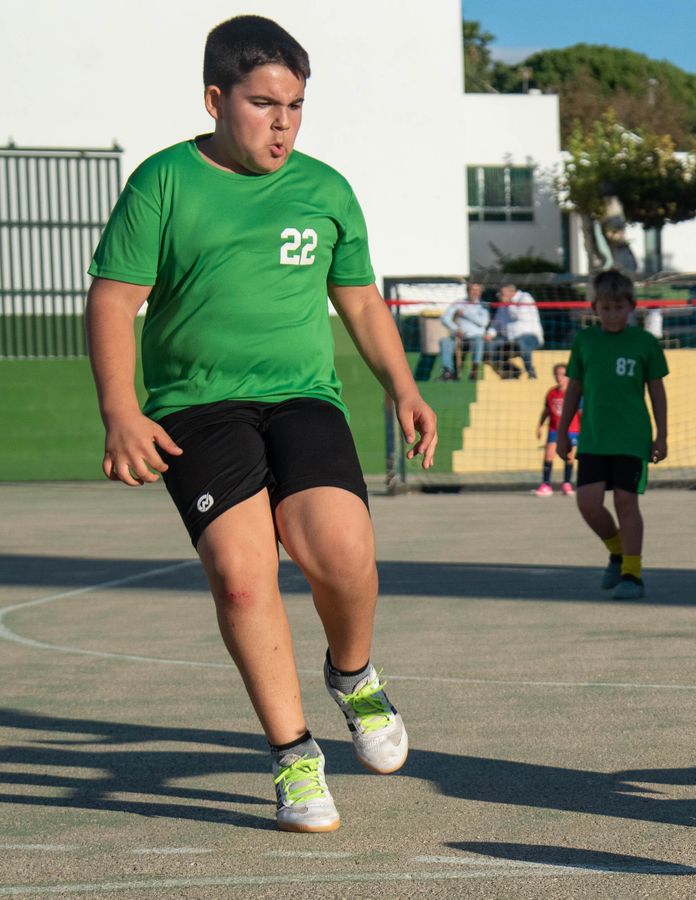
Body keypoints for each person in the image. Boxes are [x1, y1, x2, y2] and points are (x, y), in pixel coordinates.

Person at [84, 15, 436, 833]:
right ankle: (293, 756)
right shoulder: (163, 182)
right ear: (215, 99)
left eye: (296, 106)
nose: (283, 124)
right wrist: (120, 410)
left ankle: (353, 675)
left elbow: (359, 300)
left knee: (341, 551)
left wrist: (403, 386)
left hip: (302, 396)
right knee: (242, 574)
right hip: (195, 406)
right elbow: (113, 299)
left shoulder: (326, 190)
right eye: (263, 104)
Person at [556, 270, 668, 600]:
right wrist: (562, 433)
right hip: (593, 438)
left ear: (631, 306)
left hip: (632, 439)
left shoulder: (645, 343)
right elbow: (573, 389)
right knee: (588, 504)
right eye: (606, 308)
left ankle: (632, 574)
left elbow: (657, 392)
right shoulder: (585, 341)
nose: (613, 314)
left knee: (625, 501)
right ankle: (618, 551)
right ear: (595, 308)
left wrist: (662, 436)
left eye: (619, 307)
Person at [534, 363, 579, 496]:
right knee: (549, 455)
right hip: (555, 429)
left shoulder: (575, 393)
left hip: (572, 430)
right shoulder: (551, 393)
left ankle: (567, 483)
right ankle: (546, 484)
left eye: (563, 375)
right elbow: (547, 411)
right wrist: (539, 425)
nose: (559, 377)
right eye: (557, 374)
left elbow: (582, 413)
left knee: (569, 457)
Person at [438, 282, 492, 381]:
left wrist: (465, 313)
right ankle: (448, 371)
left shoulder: (483, 305)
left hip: (475, 337)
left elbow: (483, 322)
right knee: (445, 341)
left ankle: (474, 370)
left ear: (480, 292)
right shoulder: (459, 303)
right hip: (460, 336)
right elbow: (445, 318)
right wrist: (456, 329)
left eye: (477, 290)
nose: (474, 292)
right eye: (472, 290)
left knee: (479, 341)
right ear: (467, 291)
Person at [490, 282, 544, 379]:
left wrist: (509, 303)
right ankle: (514, 372)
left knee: (522, 343)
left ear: (512, 291)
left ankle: (530, 372)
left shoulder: (525, 297)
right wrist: (489, 334)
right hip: (510, 340)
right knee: (491, 347)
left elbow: (519, 315)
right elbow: (496, 323)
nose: (500, 296)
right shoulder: (503, 305)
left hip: (530, 337)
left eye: (502, 293)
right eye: (500, 293)